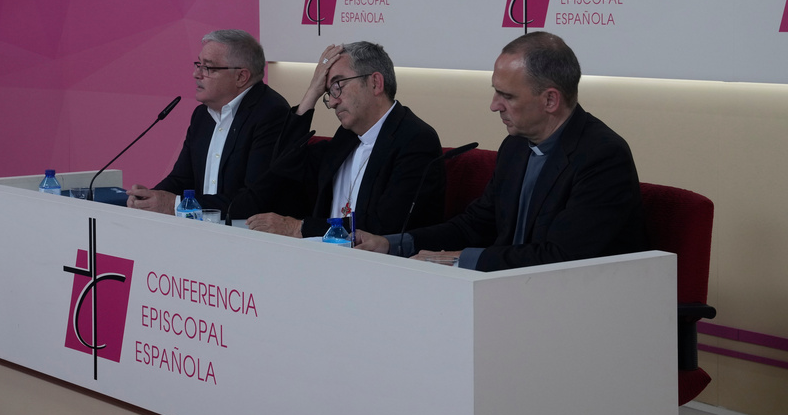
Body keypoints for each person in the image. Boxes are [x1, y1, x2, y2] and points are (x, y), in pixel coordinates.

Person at [355, 31, 644, 272]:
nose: (494, 105)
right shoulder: (515, 147)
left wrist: (460, 259)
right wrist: (393, 243)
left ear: (551, 100)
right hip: (507, 290)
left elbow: (560, 257)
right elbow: (476, 225)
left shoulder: (602, 156)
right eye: (496, 92)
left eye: (506, 96)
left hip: (575, 304)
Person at [246, 41, 445, 238]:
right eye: (328, 92)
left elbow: (384, 226)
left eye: (338, 86)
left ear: (375, 83)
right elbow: (283, 166)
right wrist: (312, 92)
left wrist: (300, 228)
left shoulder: (416, 140)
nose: (332, 102)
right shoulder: (346, 136)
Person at [126, 29, 289, 218]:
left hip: (248, 235)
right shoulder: (202, 115)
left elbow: (254, 200)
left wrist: (175, 205)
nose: (196, 74)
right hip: (201, 230)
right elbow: (182, 179)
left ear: (241, 77)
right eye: (198, 64)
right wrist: (150, 198)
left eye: (208, 68)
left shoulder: (271, 113)